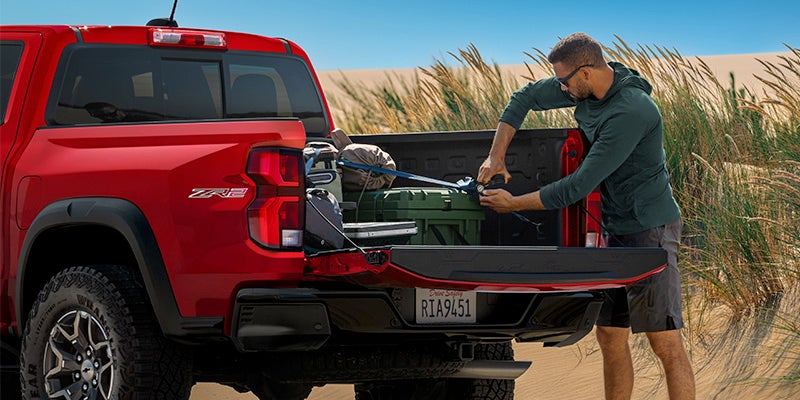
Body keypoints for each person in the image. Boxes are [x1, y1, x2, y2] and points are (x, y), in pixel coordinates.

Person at [477, 32, 695, 400]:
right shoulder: (580, 88)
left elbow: (577, 186)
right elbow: (524, 97)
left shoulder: (631, 111)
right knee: (610, 335)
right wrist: (496, 155)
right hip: (616, 231)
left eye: (564, 80)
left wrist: (513, 205)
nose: (560, 88)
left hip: (651, 232)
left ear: (587, 72)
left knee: (665, 343)